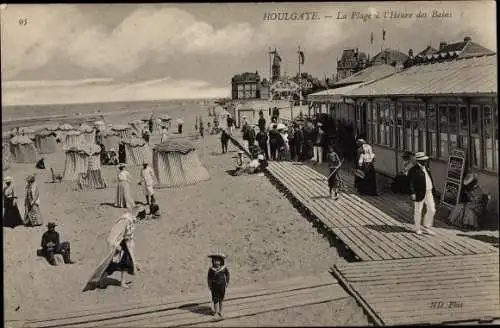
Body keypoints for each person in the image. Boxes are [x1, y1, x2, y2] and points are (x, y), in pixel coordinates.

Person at [88, 207, 144, 290]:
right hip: (118, 244)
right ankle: (100, 280)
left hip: (124, 244)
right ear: (138, 217)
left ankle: (122, 282)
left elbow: (128, 236)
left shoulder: (129, 219)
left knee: (126, 263)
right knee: (111, 264)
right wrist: (116, 245)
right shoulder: (126, 220)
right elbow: (115, 233)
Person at [407, 152, 436, 235]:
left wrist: (433, 189)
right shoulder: (413, 170)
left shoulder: (426, 168)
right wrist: (412, 193)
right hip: (419, 192)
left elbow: (430, 178)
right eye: (424, 160)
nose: (425, 162)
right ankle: (417, 228)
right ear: (419, 161)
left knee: (432, 209)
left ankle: (426, 226)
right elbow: (410, 183)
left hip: (428, 191)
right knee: (418, 210)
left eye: (426, 160)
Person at [207, 253, 230, 319]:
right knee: (215, 299)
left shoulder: (224, 268)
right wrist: (209, 285)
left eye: (218, 261)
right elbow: (209, 278)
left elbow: (227, 275)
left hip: (222, 285)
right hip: (214, 286)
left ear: (221, 261)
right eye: (214, 261)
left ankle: (221, 311)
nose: (216, 262)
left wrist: (227, 282)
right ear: (212, 262)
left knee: (221, 299)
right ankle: (216, 312)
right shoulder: (211, 269)